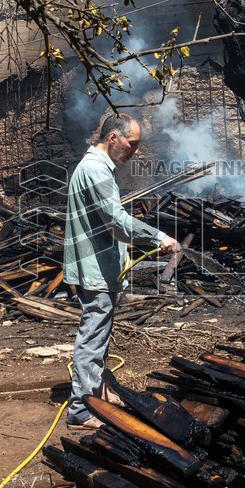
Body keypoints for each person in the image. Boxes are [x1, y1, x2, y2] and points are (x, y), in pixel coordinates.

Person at [63, 113, 180, 429]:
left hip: (100, 266)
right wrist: (158, 237)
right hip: (96, 269)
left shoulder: (97, 167)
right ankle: (81, 410)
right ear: (113, 138)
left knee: (98, 334)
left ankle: (97, 391)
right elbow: (115, 220)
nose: (136, 151)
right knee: (92, 337)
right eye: (133, 143)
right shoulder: (95, 169)